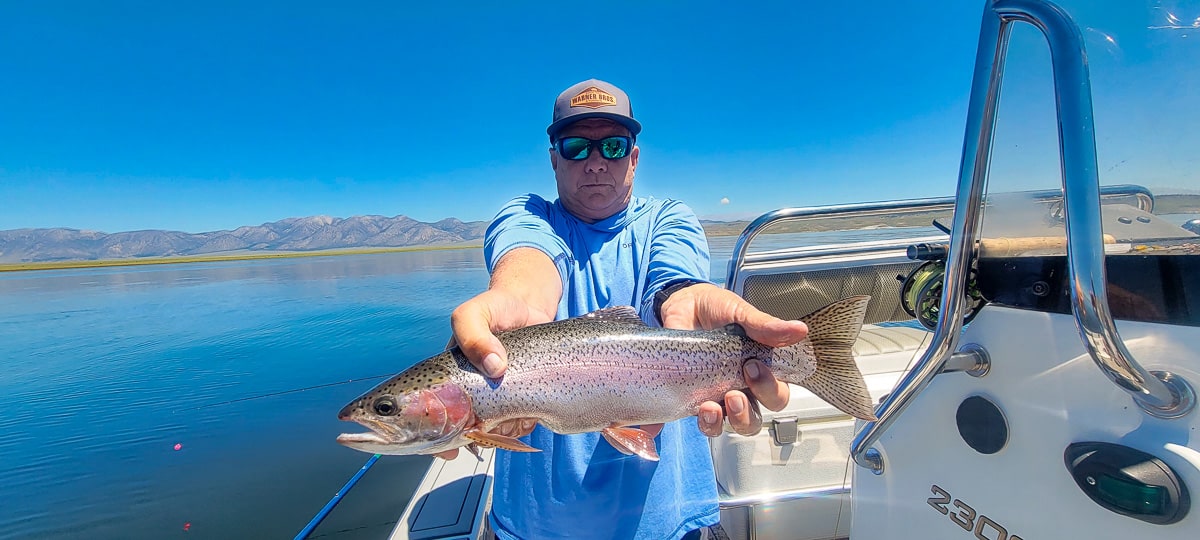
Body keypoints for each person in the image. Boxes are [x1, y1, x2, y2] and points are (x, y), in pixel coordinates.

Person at [443, 79, 808, 540]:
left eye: (613, 146)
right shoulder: (528, 216)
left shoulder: (668, 219)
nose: (595, 162)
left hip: (668, 522)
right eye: (576, 146)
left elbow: (675, 286)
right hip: (535, 526)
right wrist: (517, 300)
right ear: (554, 158)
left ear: (633, 157)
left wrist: (685, 300)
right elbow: (528, 266)